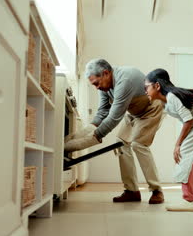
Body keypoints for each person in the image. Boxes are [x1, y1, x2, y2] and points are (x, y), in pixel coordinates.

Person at [64, 59, 165, 204]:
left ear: (105, 73)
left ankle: (156, 190)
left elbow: (114, 117)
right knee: (120, 143)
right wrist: (88, 130)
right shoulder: (105, 87)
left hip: (151, 109)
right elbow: (103, 111)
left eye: (96, 83)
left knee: (139, 145)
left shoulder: (125, 79)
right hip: (134, 112)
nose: (96, 88)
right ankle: (132, 191)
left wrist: (95, 137)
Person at [144, 68, 193, 211]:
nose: (145, 91)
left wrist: (178, 144)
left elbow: (188, 121)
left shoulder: (171, 97)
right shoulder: (166, 101)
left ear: (157, 86)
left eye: (146, 87)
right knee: (188, 158)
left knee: (183, 153)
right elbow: (189, 119)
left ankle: (188, 200)